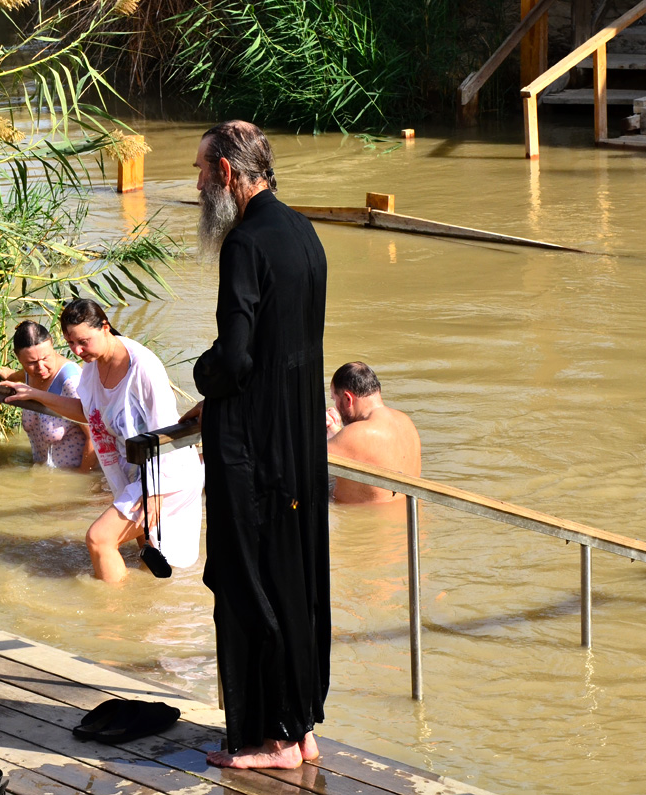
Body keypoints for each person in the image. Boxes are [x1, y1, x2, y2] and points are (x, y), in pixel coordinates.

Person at [182, 121, 329, 769]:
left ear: (225, 174)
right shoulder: (304, 233)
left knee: (248, 580)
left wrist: (203, 375)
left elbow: (238, 357)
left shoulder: (244, 244)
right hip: (298, 441)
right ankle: (301, 728)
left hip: (251, 448)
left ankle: (268, 738)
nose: (195, 184)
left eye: (199, 171)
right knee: (294, 577)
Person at [1, 299, 203, 582]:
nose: (77, 351)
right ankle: (146, 617)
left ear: (105, 327)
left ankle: (113, 617)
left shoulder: (142, 367)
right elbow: (87, 412)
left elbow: (165, 431)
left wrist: (154, 494)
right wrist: (35, 394)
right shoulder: (93, 367)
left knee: (99, 539)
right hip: (135, 473)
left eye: (83, 341)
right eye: (70, 343)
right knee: (149, 562)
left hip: (167, 474)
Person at [0, 320, 94, 470]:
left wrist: (83, 482)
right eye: (31, 362)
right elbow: (19, 375)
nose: (40, 368)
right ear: (18, 357)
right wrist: (9, 376)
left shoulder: (70, 382)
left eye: (45, 358)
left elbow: (94, 436)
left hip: (73, 475)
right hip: (43, 473)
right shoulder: (30, 374)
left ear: (52, 345)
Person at [325, 362, 422, 504]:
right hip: (408, 517)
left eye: (335, 400)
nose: (336, 407)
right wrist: (335, 431)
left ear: (348, 398)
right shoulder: (406, 422)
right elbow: (365, 452)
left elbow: (301, 463)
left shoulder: (355, 434)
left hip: (361, 522)